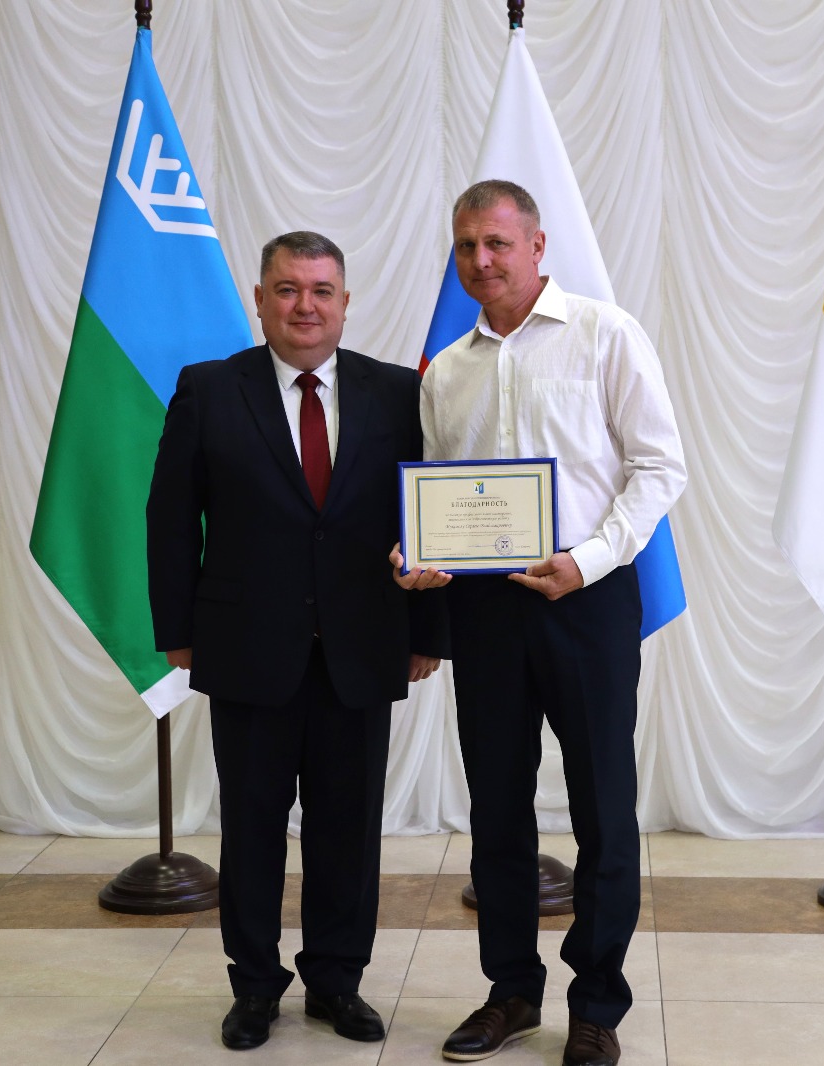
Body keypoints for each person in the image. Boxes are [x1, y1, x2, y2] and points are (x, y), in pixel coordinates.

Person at [395, 180, 685, 1066]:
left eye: (497, 243)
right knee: (496, 810)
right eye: (466, 246)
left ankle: (596, 1004)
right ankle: (512, 992)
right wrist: (417, 556)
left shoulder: (606, 334)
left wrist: (587, 561)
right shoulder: (446, 371)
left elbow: (660, 467)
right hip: (484, 611)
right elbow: (435, 495)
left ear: (537, 246)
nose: (481, 260)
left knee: (603, 809)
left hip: (586, 601)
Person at [148, 231, 447, 1051]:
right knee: (251, 829)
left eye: (321, 291)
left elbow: (423, 516)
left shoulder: (398, 393)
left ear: (346, 303)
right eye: (287, 290)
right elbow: (170, 517)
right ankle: (254, 988)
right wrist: (176, 631)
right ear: (259, 299)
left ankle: (336, 982)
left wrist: (428, 631)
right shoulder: (210, 389)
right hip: (246, 648)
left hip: (364, 646)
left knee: (348, 830)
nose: (304, 306)